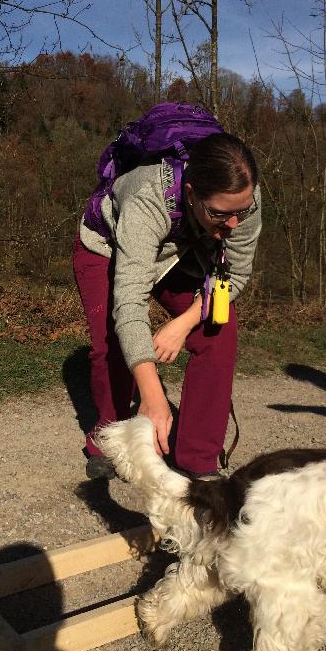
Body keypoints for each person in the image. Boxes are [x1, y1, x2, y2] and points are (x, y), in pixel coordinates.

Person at [73, 130, 261, 480]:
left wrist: (185, 322)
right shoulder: (147, 197)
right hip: (108, 248)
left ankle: (197, 461)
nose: (235, 224)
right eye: (221, 214)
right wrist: (153, 395)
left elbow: (234, 276)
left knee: (219, 328)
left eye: (242, 211)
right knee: (112, 343)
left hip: (180, 252)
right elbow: (129, 304)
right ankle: (109, 439)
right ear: (190, 193)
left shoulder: (242, 197)